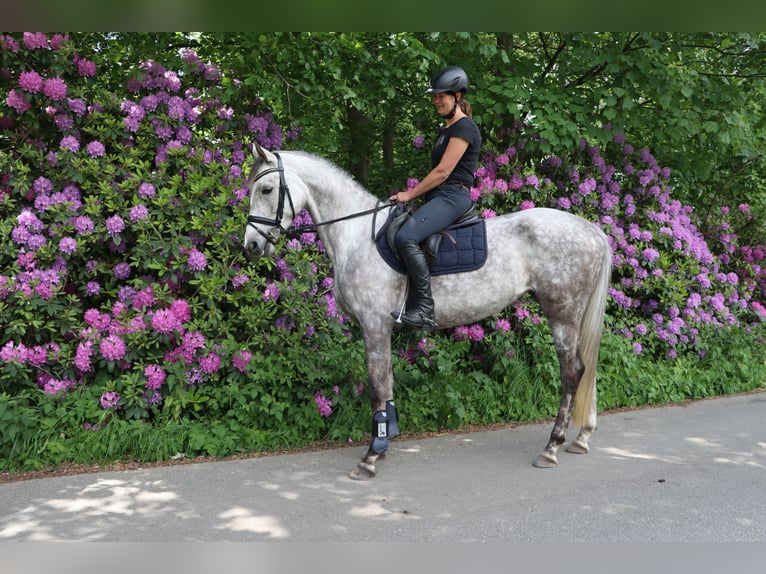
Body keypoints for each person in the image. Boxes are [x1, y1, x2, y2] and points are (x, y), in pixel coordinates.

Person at [389, 65, 482, 330]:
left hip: (453, 196)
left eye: (442, 95)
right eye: (435, 95)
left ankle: (425, 311)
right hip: (439, 197)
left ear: (458, 95)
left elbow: (442, 172)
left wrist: (409, 194)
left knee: (406, 237)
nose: (436, 100)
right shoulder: (447, 129)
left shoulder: (465, 128)